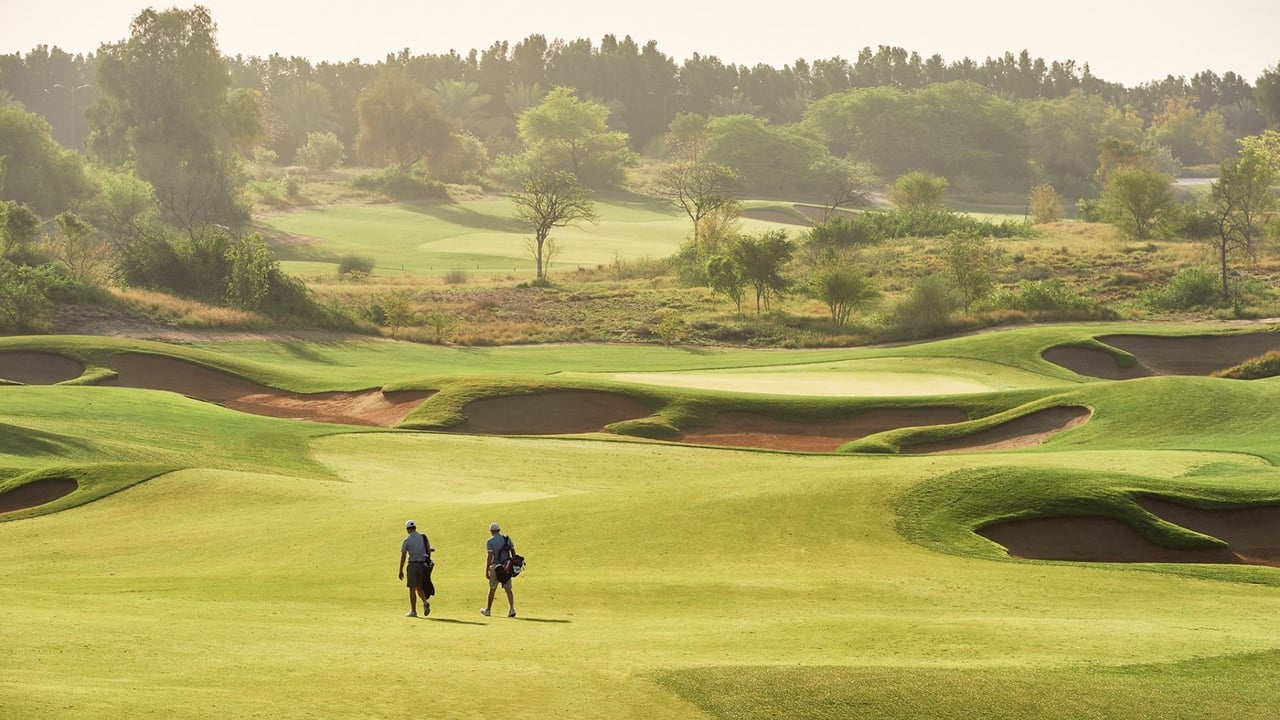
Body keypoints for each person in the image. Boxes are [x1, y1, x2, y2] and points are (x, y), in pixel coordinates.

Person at [398, 520, 433, 617]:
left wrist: (400, 570)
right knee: (419, 587)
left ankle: (413, 611)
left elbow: (403, 556)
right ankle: (425, 602)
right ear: (415, 528)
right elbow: (427, 549)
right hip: (422, 565)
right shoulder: (422, 537)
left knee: (412, 588)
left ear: (407, 529)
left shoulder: (407, 540)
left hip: (413, 565)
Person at [481, 522, 516, 618]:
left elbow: (490, 556)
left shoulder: (490, 541)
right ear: (499, 530)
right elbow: (513, 551)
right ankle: (512, 609)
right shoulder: (506, 539)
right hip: (506, 567)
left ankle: (488, 610)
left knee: (492, 588)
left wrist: (487, 569)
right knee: (508, 588)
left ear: (491, 531)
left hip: (496, 567)